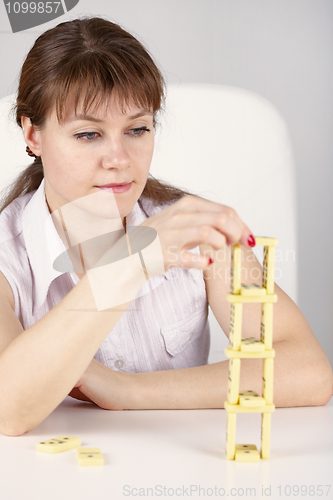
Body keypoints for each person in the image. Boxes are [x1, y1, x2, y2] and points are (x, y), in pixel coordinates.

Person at [0, 17, 331, 437]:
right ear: (33, 135)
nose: (119, 158)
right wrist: (130, 264)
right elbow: (7, 408)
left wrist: (130, 390)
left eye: (138, 129)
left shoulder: (192, 227)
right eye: (88, 135)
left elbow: (308, 371)